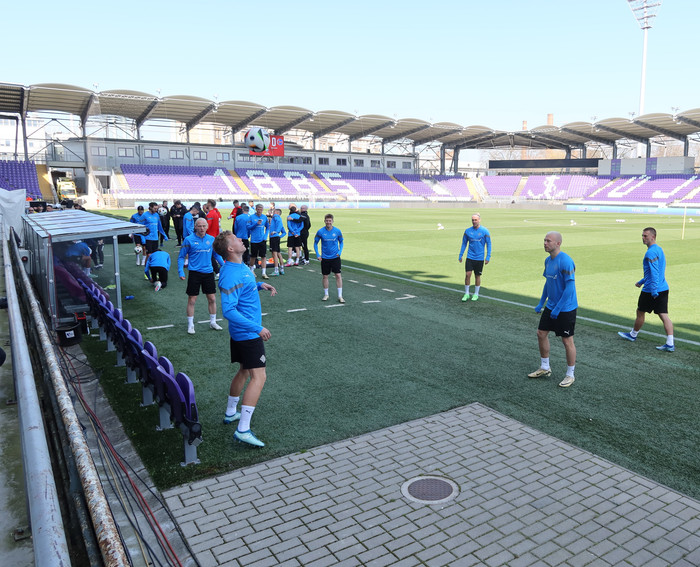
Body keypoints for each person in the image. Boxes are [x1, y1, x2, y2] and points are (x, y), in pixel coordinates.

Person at [213, 230, 277, 447]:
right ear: (230, 249)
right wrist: (257, 328)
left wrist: (258, 286)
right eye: (236, 239)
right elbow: (228, 311)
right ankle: (243, 429)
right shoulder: (231, 273)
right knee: (259, 377)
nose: (241, 240)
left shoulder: (237, 267)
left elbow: (242, 288)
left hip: (242, 333)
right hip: (248, 334)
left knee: (244, 370)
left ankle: (231, 412)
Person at [528, 231, 577, 388]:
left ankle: (570, 375)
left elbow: (570, 288)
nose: (545, 243)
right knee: (541, 333)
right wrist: (541, 303)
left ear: (558, 243)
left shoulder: (566, 261)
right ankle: (545, 367)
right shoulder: (548, 261)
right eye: (544, 240)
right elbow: (548, 283)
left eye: (548, 241)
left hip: (566, 308)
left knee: (567, 340)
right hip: (551, 306)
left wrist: (558, 308)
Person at [618, 227, 675, 352]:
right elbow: (657, 271)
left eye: (645, 236)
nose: (643, 238)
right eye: (642, 235)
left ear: (653, 237)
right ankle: (670, 343)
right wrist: (642, 281)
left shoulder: (650, 253)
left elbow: (654, 273)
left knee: (640, 312)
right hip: (663, 287)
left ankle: (633, 335)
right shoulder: (659, 249)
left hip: (651, 290)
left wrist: (653, 290)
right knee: (664, 315)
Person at [178, 218, 225, 334]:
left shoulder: (211, 239)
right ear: (195, 227)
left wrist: (224, 266)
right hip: (194, 273)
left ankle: (213, 322)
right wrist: (181, 271)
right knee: (192, 300)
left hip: (208, 273)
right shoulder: (188, 240)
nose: (202, 228)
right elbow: (181, 257)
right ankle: (190, 325)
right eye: (199, 226)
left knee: (212, 298)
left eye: (204, 226)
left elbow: (216, 255)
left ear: (207, 226)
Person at [458, 213, 492, 302]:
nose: (474, 221)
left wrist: (488, 256)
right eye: (472, 220)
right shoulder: (467, 231)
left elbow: (489, 244)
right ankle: (466, 293)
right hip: (470, 257)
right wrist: (461, 254)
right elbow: (464, 243)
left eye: (475, 220)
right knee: (467, 275)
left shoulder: (485, 231)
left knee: (477, 276)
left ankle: (476, 294)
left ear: (479, 220)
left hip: (479, 258)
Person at [314, 214, 344, 303]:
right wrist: (318, 254)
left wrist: (340, 252)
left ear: (332, 221)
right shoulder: (320, 231)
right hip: (325, 258)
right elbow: (315, 243)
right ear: (324, 221)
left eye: (330, 221)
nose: (328, 222)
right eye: (327, 220)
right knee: (325, 276)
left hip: (335, 257)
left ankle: (340, 296)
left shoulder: (337, 231)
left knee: (338, 275)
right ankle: (326, 294)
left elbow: (341, 242)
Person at [247, 203, 270, 279]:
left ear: (262, 210)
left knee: (263, 256)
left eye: (261, 209)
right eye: (258, 209)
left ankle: (264, 272)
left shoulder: (264, 217)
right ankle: (251, 270)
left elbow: (268, 227)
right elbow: (248, 227)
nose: (259, 210)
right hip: (254, 240)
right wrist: (256, 224)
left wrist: (265, 236)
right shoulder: (251, 217)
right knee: (253, 256)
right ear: (256, 209)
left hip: (262, 240)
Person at [204, 199, 223, 275]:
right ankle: (223, 269)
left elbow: (207, 227)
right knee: (216, 254)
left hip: (210, 237)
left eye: (207, 203)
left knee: (211, 255)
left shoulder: (210, 214)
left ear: (209, 204)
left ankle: (218, 271)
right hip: (215, 236)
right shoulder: (215, 213)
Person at [268, 208, 287, 276]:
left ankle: (276, 270)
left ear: (277, 212)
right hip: (276, 238)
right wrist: (279, 236)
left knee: (274, 254)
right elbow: (284, 232)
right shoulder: (277, 220)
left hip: (273, 238)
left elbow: (279, 223)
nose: (273, 212)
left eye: (274, 211)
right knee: (278, 254)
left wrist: (276, 232)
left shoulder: (276, 217)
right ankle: (282, 269)